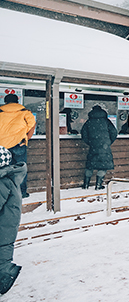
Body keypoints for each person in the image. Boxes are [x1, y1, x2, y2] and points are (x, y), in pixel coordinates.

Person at [0, 146, 27, 295]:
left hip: (3, 226)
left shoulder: (2, 182)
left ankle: (6, 275)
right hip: (7, 225)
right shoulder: (9, 177)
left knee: (2, 254)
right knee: (3, 251)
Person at [0, 94, 36, 198]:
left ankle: (4, 193)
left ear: (6, 102)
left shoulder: (1, 111)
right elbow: (32, 125)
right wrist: (26, 138)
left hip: (2, 146)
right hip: (18, 144)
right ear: (17, 101)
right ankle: (21, 192)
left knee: (3, 169)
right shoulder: (25, 112)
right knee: (20, 169)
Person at [80, 105, 118, 190]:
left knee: (90, 165)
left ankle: (86, 184)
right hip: (105, 147)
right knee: (103, 166)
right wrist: (108, 142)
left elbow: (84, 134)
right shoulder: (106, 121)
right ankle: (98, 185)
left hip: (93, 147)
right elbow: (114, 132)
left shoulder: (89, 122)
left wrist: (90, 143)